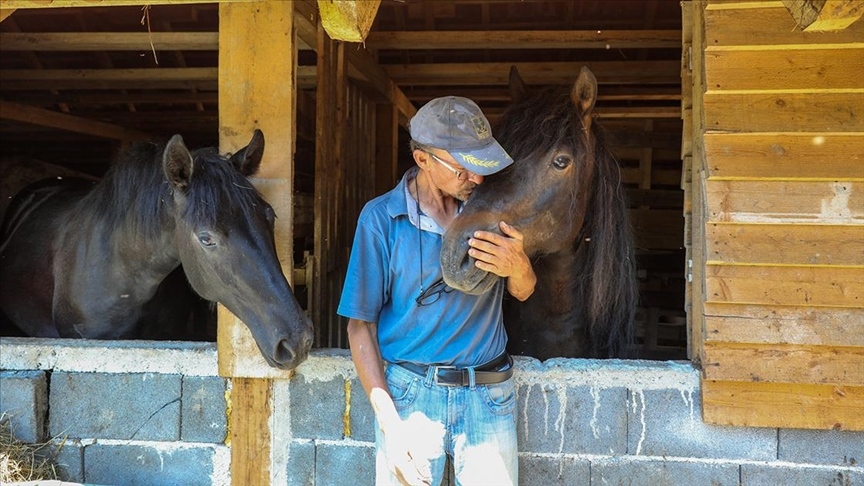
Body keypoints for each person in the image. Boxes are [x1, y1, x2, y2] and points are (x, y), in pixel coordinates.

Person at [338, 96, 537, 485]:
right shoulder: (381, 219)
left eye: (481, 168)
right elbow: (359, 327)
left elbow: (525, 292)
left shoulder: (492, 212)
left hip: (489, 394)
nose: (477, 180)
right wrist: (390, 428)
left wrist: (521, 267)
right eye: (463, 169)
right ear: (423, 160)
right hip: (410, 397)